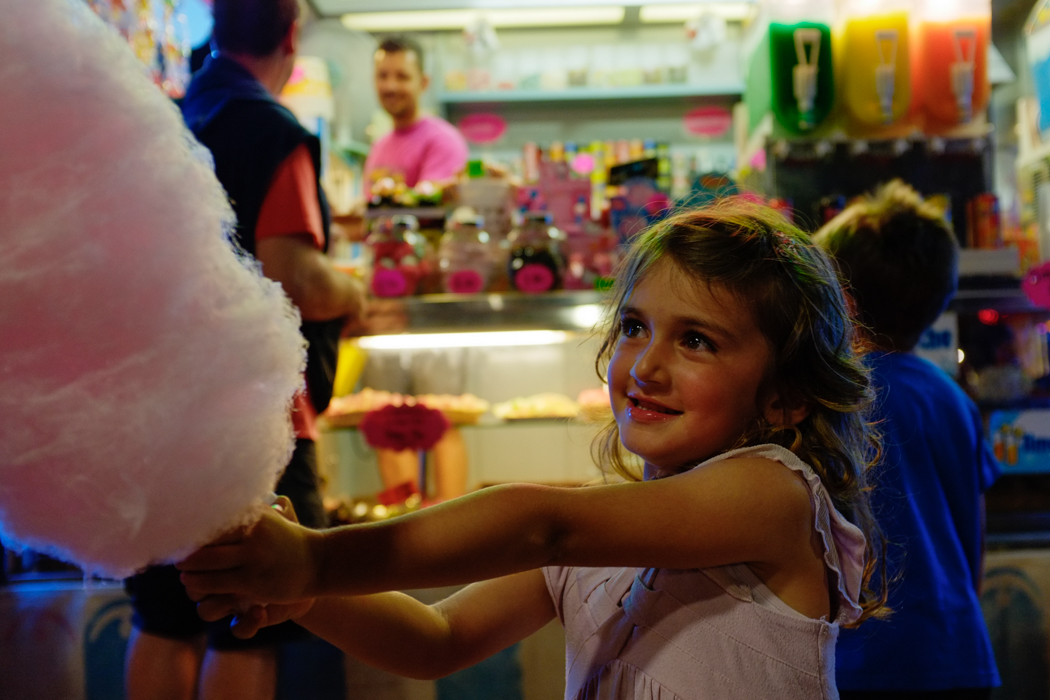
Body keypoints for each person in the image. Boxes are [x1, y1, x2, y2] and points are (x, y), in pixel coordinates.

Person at [179, 199, 888, 699]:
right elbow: (437, 639)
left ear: (785, 397)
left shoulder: (772, 494)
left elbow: (543, 524)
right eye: (634, 327)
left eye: (696, 340)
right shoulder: (599, 540)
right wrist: (305, 594)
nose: (646, 365)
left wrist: (315, 558)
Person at [123, 1, 365, 699]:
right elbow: (293, 277)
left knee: (164, 615)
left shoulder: (166, 121)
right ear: (290, 35)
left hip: (152, 411)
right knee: (247, 618)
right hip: (253, 417)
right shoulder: (270, 128)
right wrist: (352, 292)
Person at [814, 181, 1002, 699]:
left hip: (866, 662)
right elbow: (974, 540)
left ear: (841, 301)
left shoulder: (834, 397)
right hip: (958, 655)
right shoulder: (952, 397)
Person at [362, 34, 469, 191]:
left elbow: (430, 200)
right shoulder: (379, 147)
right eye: (382, 76)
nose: (390, 86)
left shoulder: (443, 141)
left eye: (402, 77)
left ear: (423, 82)